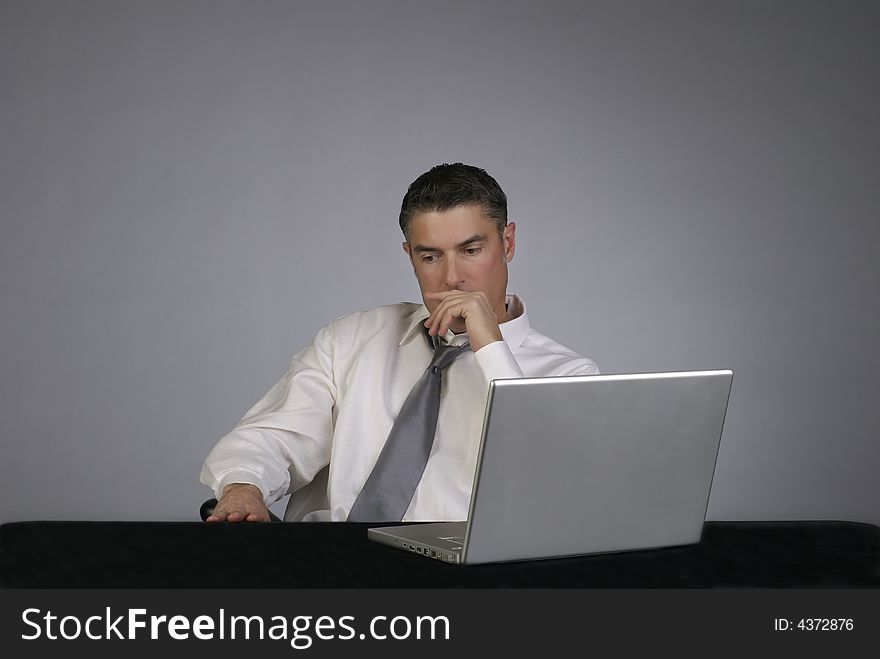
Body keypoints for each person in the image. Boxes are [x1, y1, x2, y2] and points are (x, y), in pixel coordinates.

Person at [200, 163, 599, 522]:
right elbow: (274, 437)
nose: (452, 277)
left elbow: (547, 487)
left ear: (507, 243)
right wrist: (243, 488)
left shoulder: (569, 375)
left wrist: (490, 349)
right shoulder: (350, 340)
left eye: (471, 250)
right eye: (430, 257)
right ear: (410, 256)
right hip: (327, 572)